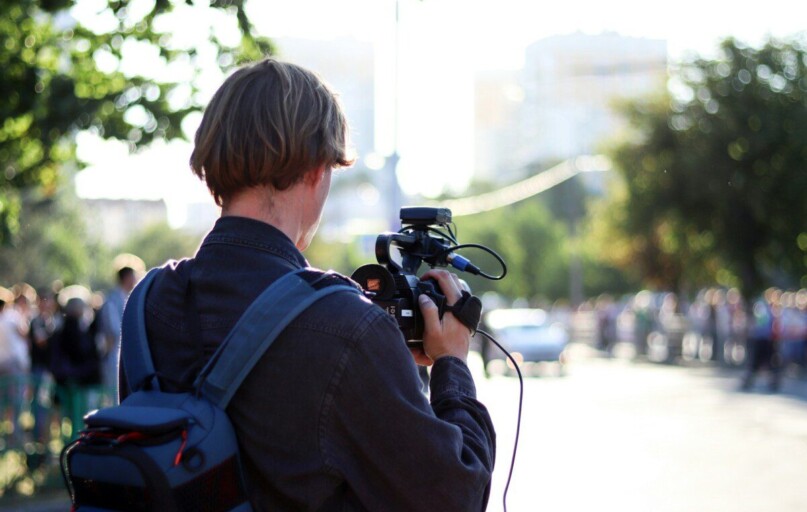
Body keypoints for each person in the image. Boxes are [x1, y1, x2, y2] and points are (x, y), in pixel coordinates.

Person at [119, 58, 495, 511]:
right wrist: (451, 364)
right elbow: (457, 496)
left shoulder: (148, 301)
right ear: (317, 169)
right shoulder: (347, 327)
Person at [99, 265, 137, 400]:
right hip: (114, 356)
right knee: (115, 395)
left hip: (126, 354)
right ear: (127, 278)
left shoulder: (128, 297)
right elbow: (115, 330)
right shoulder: (112, 301)